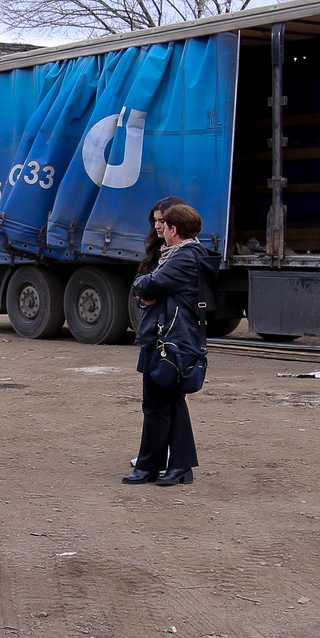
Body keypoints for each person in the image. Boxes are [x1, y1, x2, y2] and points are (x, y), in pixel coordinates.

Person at [126, 202, 207, 487]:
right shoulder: (181, 254)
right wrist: (149, 289)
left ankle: (150, 466)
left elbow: (147, 284)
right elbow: (151, 287)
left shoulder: (184, 257)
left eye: (164, 224)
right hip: (168, 337)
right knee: (170, 404)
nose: (159, 228)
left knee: (157, 405)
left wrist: (146, 287)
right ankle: (179, 465)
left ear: (175, 230)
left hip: (170, 340)